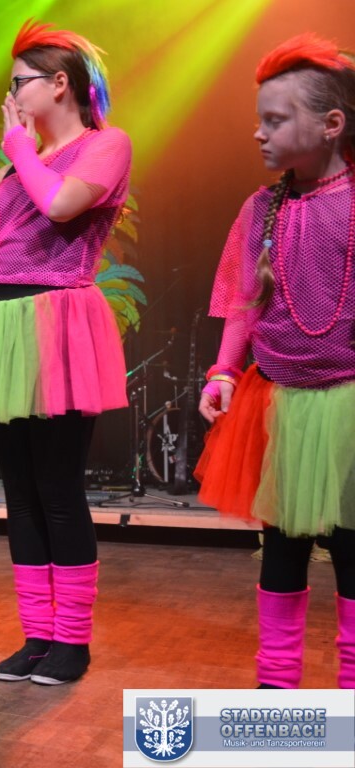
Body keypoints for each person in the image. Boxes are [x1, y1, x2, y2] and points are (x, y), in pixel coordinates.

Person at [0, 20, 131, 686]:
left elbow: (59, 206)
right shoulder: (13, 164)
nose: (11, 95)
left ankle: (72, 640)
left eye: (19, 82)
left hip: (57, 321)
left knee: (57, 489)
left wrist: (19, 145)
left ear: (59, 83)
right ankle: (37, 635)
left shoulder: (105, 145)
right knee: (18, 492)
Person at [196, 33, 355, 690]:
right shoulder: (261, 208)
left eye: (276, 120)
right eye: (259, 119)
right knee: (281, 548)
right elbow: (243, 303)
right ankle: (277, 686)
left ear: (331, 124)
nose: (259, 133)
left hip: (348, 407)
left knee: (351, 550)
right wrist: (223, 371)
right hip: (281, 403)